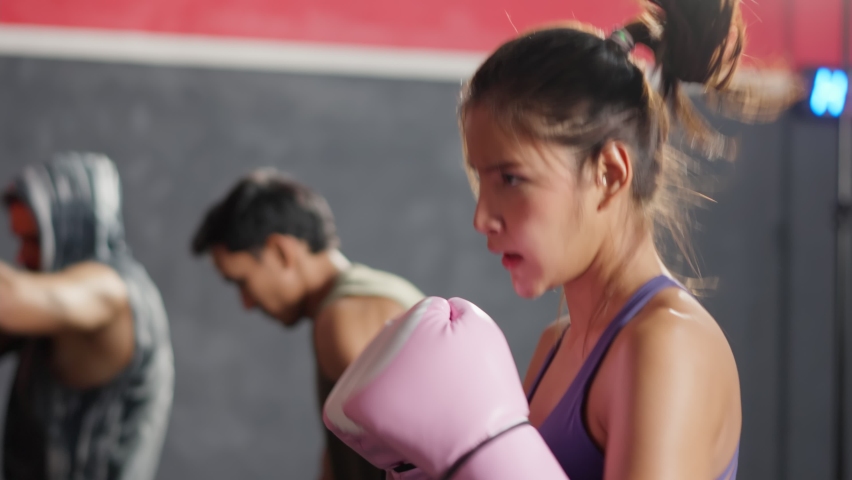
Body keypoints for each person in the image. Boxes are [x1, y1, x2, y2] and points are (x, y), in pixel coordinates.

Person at [323, 0, 796, 478]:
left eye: (510, 179)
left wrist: (477, 458)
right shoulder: (555, 346)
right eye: (480, 180)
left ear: (610, 173)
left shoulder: (668, 342)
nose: (482, 217)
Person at [191, 168, 425, 480]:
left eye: (242, 282)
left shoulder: (341, 319)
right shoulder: (374, 293)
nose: (246, 303)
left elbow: (418, 458)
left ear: (280, 251)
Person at [0, 152, 174, 480]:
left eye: (33, 240)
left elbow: (8, 299)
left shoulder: (110, 290)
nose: (22, 256)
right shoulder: (48, 306)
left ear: (71, 227)